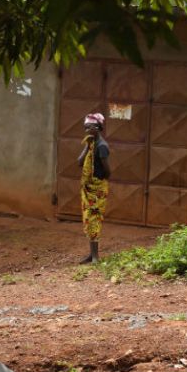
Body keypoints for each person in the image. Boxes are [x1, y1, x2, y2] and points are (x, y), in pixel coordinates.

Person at [77, 113, 111, 264]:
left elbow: (108, 171)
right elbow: (79, 162)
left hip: (97, 189)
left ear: (96, 128)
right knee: (88, 220)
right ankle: (92, 255)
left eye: (88, 128)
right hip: (89, 188)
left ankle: (96, 257)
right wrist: (86, 146)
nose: (86, 131)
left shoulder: (102, 147)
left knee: (94, 219)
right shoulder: (91, 144)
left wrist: (97, 182)